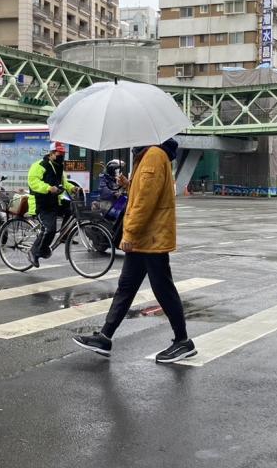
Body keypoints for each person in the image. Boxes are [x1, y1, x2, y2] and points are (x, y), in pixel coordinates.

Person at [72, 139, 197, 363]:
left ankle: (183, 341)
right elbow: (145, 193)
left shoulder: (153, 156)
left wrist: (128, 234)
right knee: (126, 287)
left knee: (162, 288)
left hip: (150, 237)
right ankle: (105, 336)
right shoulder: (149, 155)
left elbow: (144, 203)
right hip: (145, 239)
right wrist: (129, 184)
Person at [27, 141, 74, 268]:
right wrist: (48, 188)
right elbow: (33, 182)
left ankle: (64, 236)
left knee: (71, 209)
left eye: (63, 154)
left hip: (54, 202)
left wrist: (73, 188)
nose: (62, 156)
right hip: (41, 203)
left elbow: (63, 183)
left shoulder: (58, 166)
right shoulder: (40, 165)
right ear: (52, 153)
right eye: (60, 153)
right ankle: (34, 252)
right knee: (49, 229)